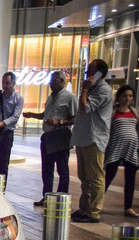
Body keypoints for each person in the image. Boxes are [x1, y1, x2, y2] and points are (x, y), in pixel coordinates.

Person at [23, 71, 77, 206]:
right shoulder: (50, 97)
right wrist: (32, 115)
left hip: (61, 136)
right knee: (47, 169)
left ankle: (60, 198)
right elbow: (45, 115)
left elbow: (76, 118)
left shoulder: (70, 97)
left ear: (62, 81)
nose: (50, 83)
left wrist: (59, 122)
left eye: (53, 81)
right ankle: (46, 197)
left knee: (62, 169)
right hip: (47, 137)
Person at [70, 59, 113, 223]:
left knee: (95, 177)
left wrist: (85, 89)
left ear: (99, 73)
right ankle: (84, 208)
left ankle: (94, 211)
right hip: (83, 138)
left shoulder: (103, 90)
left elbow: (84, 107)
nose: (87, 74)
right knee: (84, 177)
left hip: (94, 139)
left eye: (91, 71)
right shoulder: (94, 88)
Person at [104, 85, 139, 218]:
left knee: (130, 179)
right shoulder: (113, 112)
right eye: (124, 95)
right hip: (115, 147)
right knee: (108, 175)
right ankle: (97, 203)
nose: (127, 98)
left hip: (131, 149)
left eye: (130, 96)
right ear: (118, 97)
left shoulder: (134, 112)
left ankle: (128, 207)